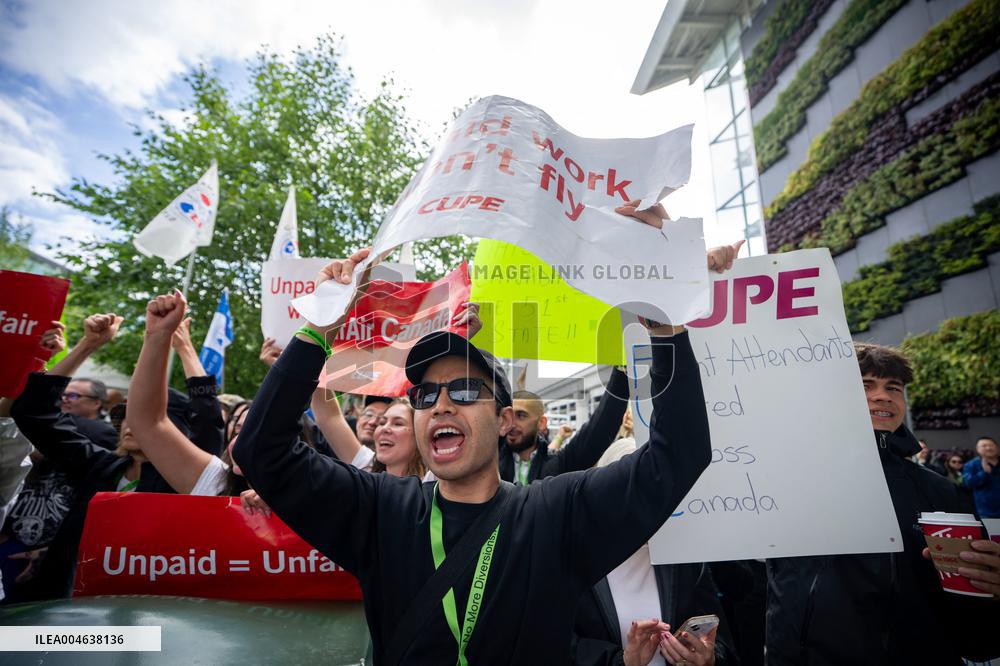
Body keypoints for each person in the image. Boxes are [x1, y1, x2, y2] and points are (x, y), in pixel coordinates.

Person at [234, 225, 737, 663]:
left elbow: (678, 454)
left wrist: (665, 322)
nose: (441, 404)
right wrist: (319, 330)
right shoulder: (379, 509)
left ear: (503, 421)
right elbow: (263, 451)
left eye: (464, 391)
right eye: (425, 395)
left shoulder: (556, 513)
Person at [766, 343, 1000, 665]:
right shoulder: (785, 482)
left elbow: (979, 638)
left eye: (893, 387)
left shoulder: (940, 491)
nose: (882, 396)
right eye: (865, 385)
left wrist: (992, 593)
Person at [571, 438, 737, 666]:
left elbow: (722, 643)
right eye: (631, 491)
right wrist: (622, 661)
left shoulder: (683, 559)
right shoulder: (574, 561)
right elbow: (556, 646)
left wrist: (708, 658)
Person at [500, 381, 628, 485]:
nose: (511, 424)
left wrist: (621, 373)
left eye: (521, 415)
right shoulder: (492, 463)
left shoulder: (557, 464)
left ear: (541, 423)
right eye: (508, 417)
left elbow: (599, 430)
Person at [964, 436, 1000, 518]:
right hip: (986, 511)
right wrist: (984, 473)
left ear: (997, 447)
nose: (988, 448)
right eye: (984, 446)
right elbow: (968, 483)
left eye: (991, 445)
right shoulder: (971, 465)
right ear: (977, 449)